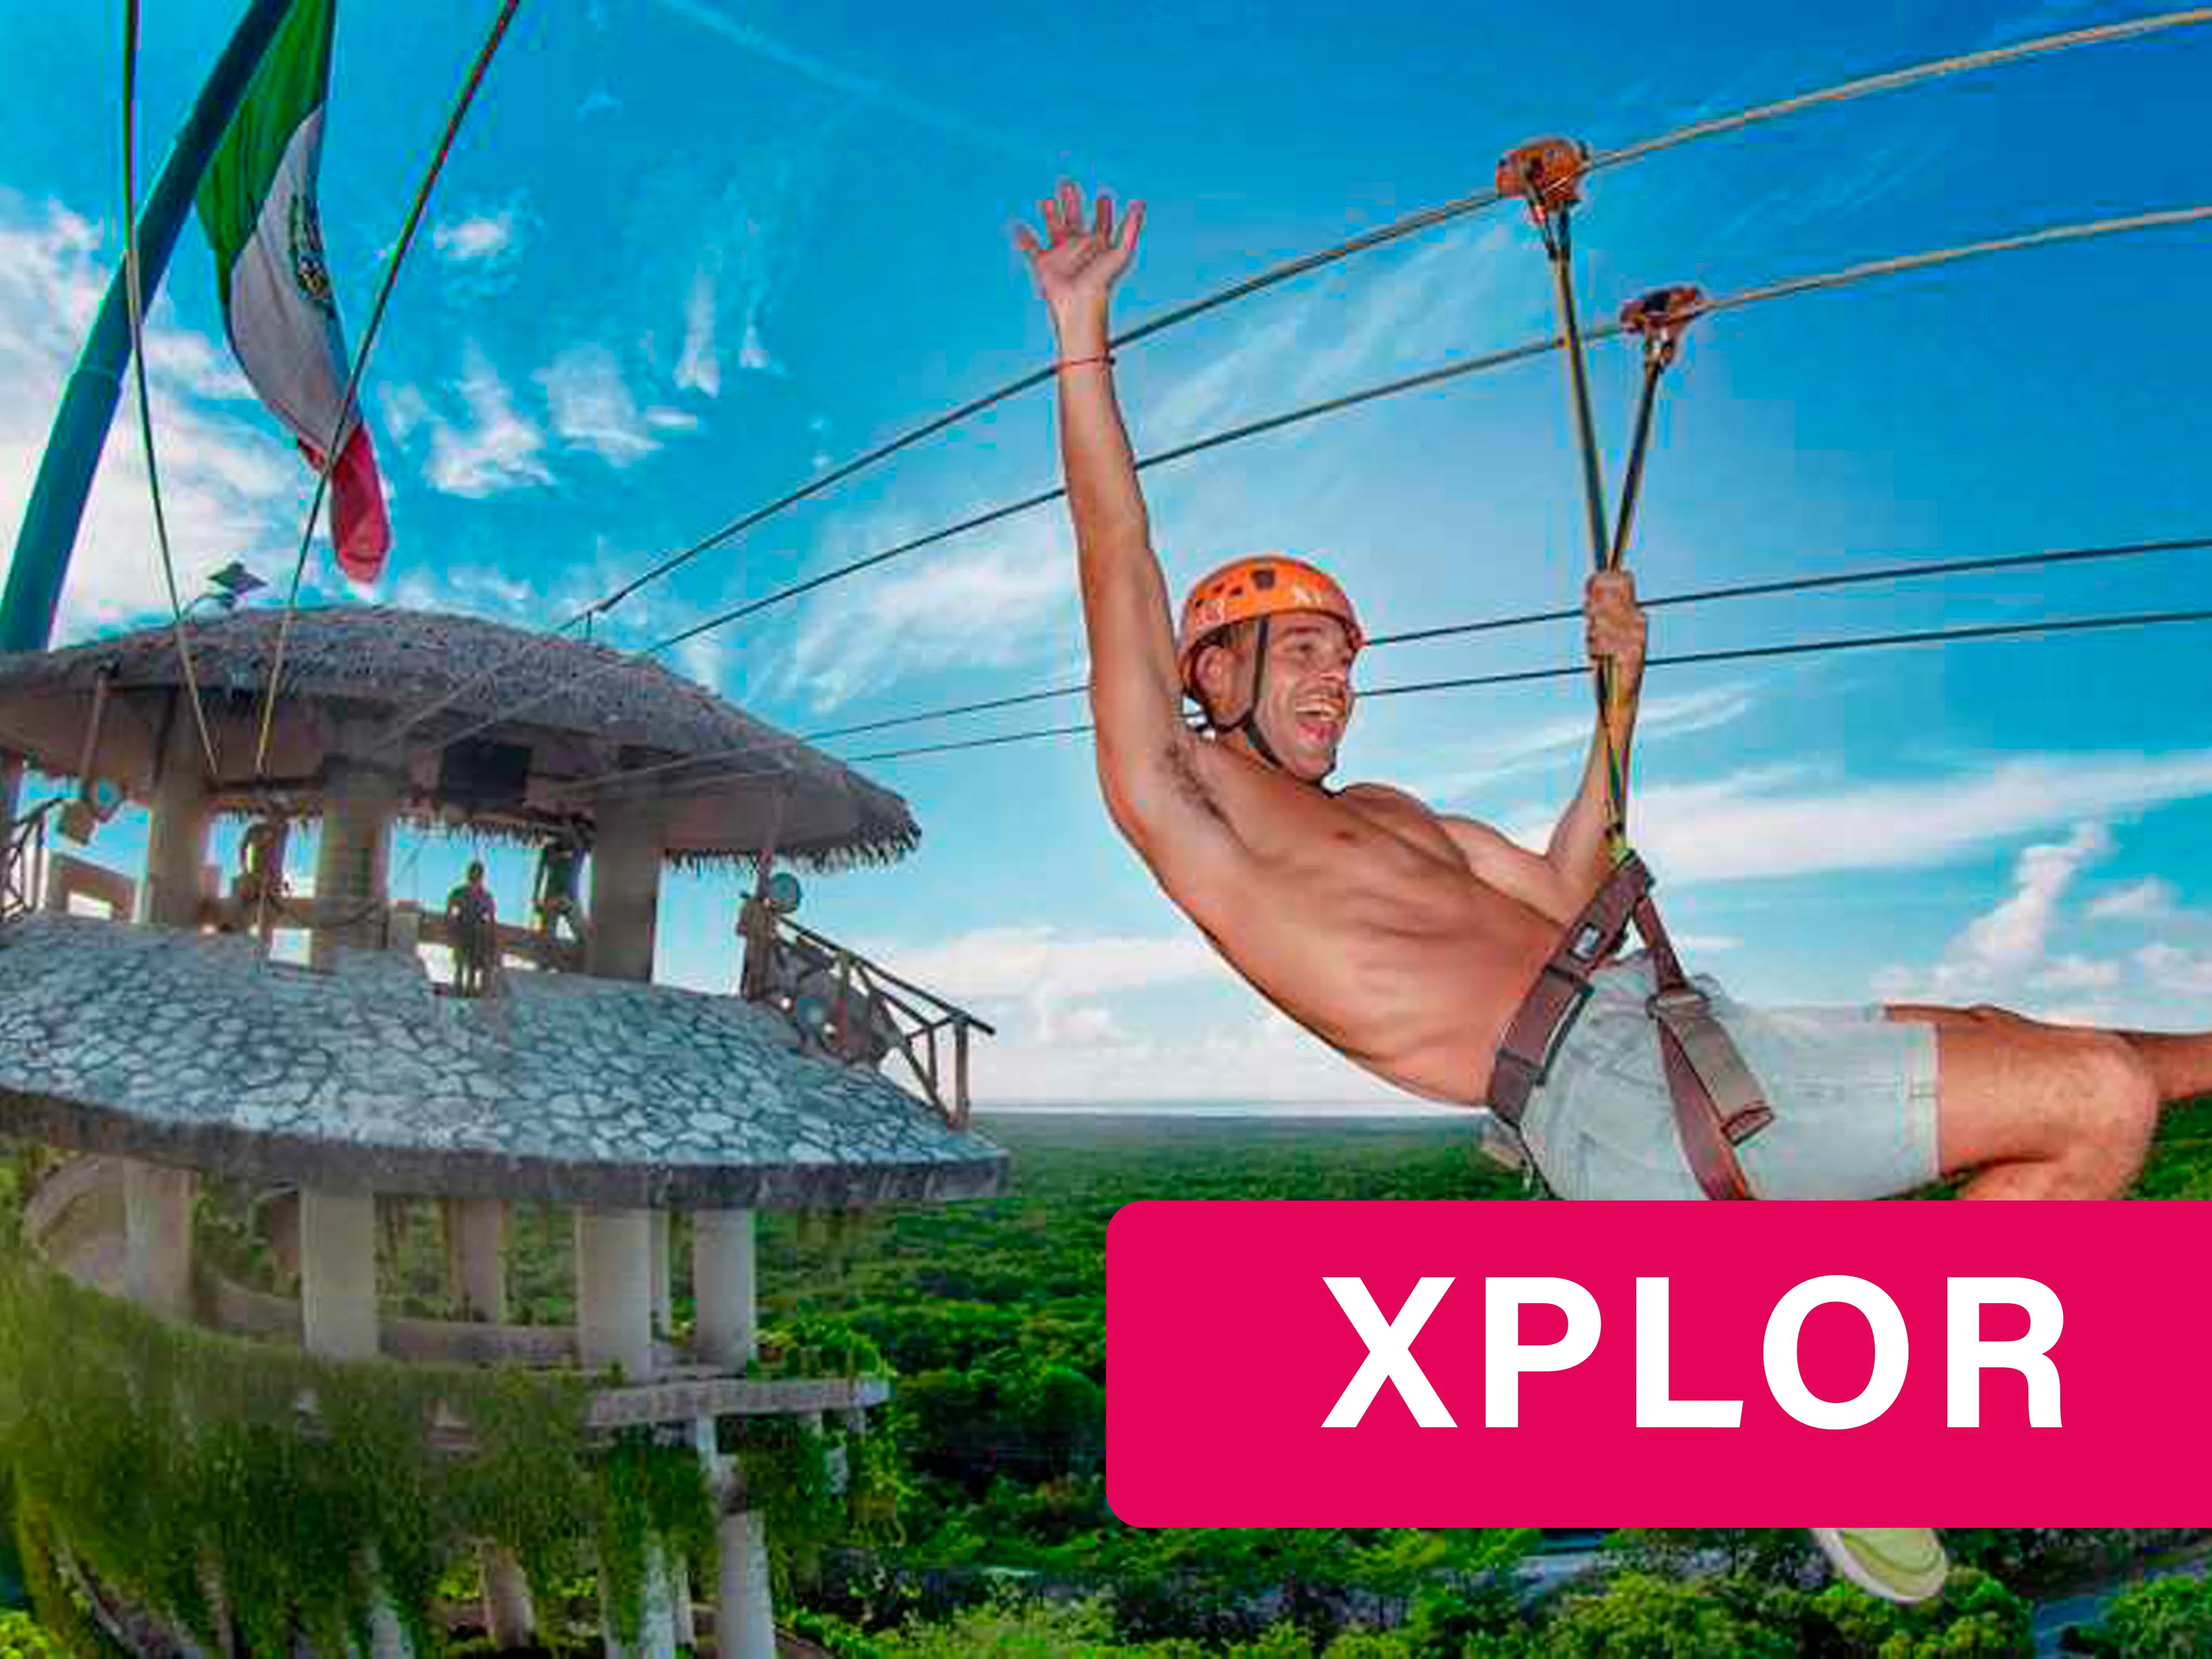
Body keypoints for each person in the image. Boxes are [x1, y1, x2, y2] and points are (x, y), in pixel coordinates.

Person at [1016, 179, 2205, 1601]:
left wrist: (1618, 700)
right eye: (1306, 650)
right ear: (1213, 674)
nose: (1341, 675)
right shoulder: (1188, 804)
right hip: (1609, 1098)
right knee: (2093, 1105)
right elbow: (1117, 562)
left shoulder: (1398, 816)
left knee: (2070, 1049)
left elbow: (1571, 883)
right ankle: (1870, 1422)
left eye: (1348, 654)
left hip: (1665, 1026)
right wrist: (1083, 333)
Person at [444, 860, 498, 997]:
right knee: (463, 966)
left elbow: (492, 919)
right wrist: (451, 928)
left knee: (470, 967)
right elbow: (449, 910)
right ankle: (462, 991)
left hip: (474, 933)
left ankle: (466, 991)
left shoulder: (482, 895)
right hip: (466, 931)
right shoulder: (478, 894)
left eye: (476, 874)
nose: (474, 878)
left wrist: (490, 939)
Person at [532, 821, 587, 948]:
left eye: (572, 834)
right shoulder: (549, 849)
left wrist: (565, 817)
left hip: (570, 898)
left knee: (582, 936)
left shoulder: (579, 850)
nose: (568, 837)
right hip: (553, 897)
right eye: (564, 833)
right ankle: (546, 960)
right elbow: (540, 872)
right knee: (547, 936)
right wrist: (536, 896)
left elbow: (575, 838)